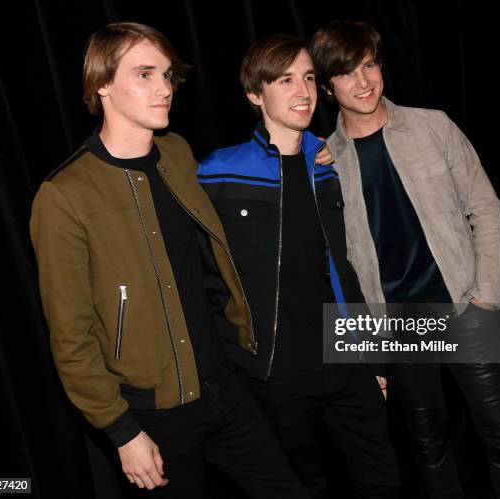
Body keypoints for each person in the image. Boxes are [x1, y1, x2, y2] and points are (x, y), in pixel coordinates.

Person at [30, 21, 310, 499]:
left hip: (222, 386)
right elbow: (71, 336)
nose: (164, 89)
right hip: (152, 415)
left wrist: (314, 152)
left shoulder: (176, 154)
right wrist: (122, 432)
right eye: (144, 74)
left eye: (167, 75)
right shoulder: (64, 195)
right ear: (102, 84)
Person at [309, 20, 500, 499]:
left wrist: (487, 297)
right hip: (396, 326)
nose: (364, 81)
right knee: (428, 444)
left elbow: (486, 208)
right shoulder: (325, 161)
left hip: (464, 307)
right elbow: (334, 265)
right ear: (328, 86)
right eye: (348, 73)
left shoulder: (433, 125)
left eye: (369, 65)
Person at [197, 34, 399, 499]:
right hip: (274, 371)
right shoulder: (217, 173)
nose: (303, 91)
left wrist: (371, 356)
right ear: (255, 93)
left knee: (383, 479)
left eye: (308, 77)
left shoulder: (326, 164)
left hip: (344, 354)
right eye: (285, 79)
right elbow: (205, 279)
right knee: (301, 486)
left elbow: (343, 267)